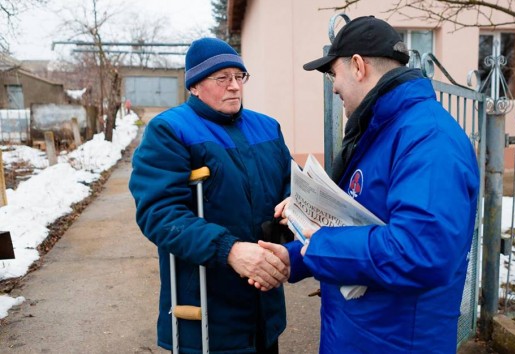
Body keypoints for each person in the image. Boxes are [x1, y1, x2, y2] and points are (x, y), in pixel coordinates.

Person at [258, 16, 480, 353]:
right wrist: (297, 257)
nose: (334, 89)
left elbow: (420, 251)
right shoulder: (383, 130)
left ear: (358, 66)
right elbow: (360, 222)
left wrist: (319, 248)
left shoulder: (428, 138)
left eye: (335, 76)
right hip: (360, 332)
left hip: (396, 341)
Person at [129, 37, 292, 353]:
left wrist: (292, 202)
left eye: (239, 77)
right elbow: (160, 213)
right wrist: (229, 249)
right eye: (222, 78)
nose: (234, 86)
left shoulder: (267, 127)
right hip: (207, 310)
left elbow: (291, 182)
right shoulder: (169, 130)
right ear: (194, 86)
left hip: (265, 305)